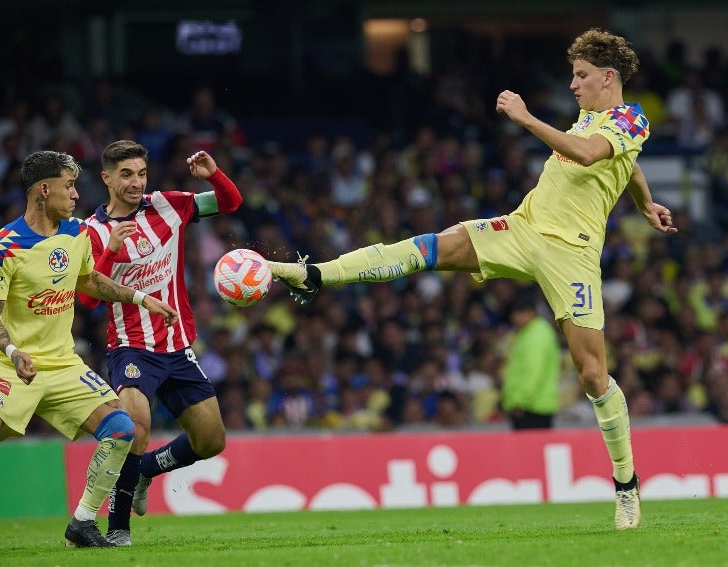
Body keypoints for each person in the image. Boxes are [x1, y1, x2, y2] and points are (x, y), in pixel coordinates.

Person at [270, 28, 677, 530]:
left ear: (607, 77)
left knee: (593, 375)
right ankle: (315, 275)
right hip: (523, 227)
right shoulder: (595, 119)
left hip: (572, 253)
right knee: (431, 247)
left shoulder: (631, 117)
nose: (573, 84)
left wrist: (525, 117)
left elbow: (595, 154)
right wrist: (645, 202)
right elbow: (625, 164)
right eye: (573, 75)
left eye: (581, 75)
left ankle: (626, 484)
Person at [0, 150, 179, 547]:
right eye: (69, 186)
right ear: (44, 191)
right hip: (9, 365)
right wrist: (13, 353)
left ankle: (81, 523)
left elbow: (90, 281)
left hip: (62, 364)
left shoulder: (76, 233)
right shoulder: (7, 246)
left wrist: (141, 299)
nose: (77, 195)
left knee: (120, 429)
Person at [77, 140, 243, 546]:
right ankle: (117, 530)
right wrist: (110, 253)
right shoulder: (91, 231)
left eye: (141, 173)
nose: (136, 183)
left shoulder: (168, 205)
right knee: (136, 428)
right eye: (127, 175)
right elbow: (87, 298)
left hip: (178, 345)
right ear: (107, 178)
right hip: (131, 346)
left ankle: (146, 471)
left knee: (211, 441)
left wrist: (214, 175)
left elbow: (231, 203)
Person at [501, 292, 562, 430]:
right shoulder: (529, 332)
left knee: (529, 450)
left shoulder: (537, 335)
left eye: (515, 314)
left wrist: (519, 402)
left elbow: (533, 372)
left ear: (528, 312)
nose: (513, 318)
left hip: (532, 407)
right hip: (533, 405)